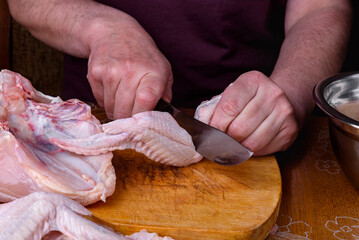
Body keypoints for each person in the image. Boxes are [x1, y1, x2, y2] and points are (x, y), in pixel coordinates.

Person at [7, 0, 352, 156]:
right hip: (94, 132)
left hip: (258, 136)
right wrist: (104, 28)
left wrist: (290, 92)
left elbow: (321, 8)